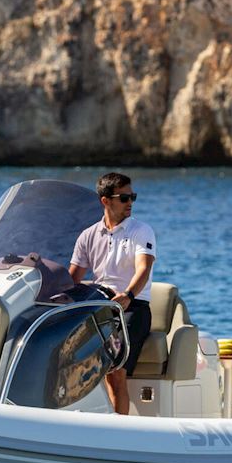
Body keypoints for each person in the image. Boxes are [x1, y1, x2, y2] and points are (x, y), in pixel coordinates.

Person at [69, 172, 155, 414]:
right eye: (124, 197)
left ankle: (118, 433)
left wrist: (128, 295)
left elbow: (144, 269)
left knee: (115, 373)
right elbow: (72, 279)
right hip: (99, 307)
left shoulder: (142, 231)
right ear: (105, 200)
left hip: (133, 308)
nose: (130, 202)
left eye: (132, 197)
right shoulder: (88, 235)